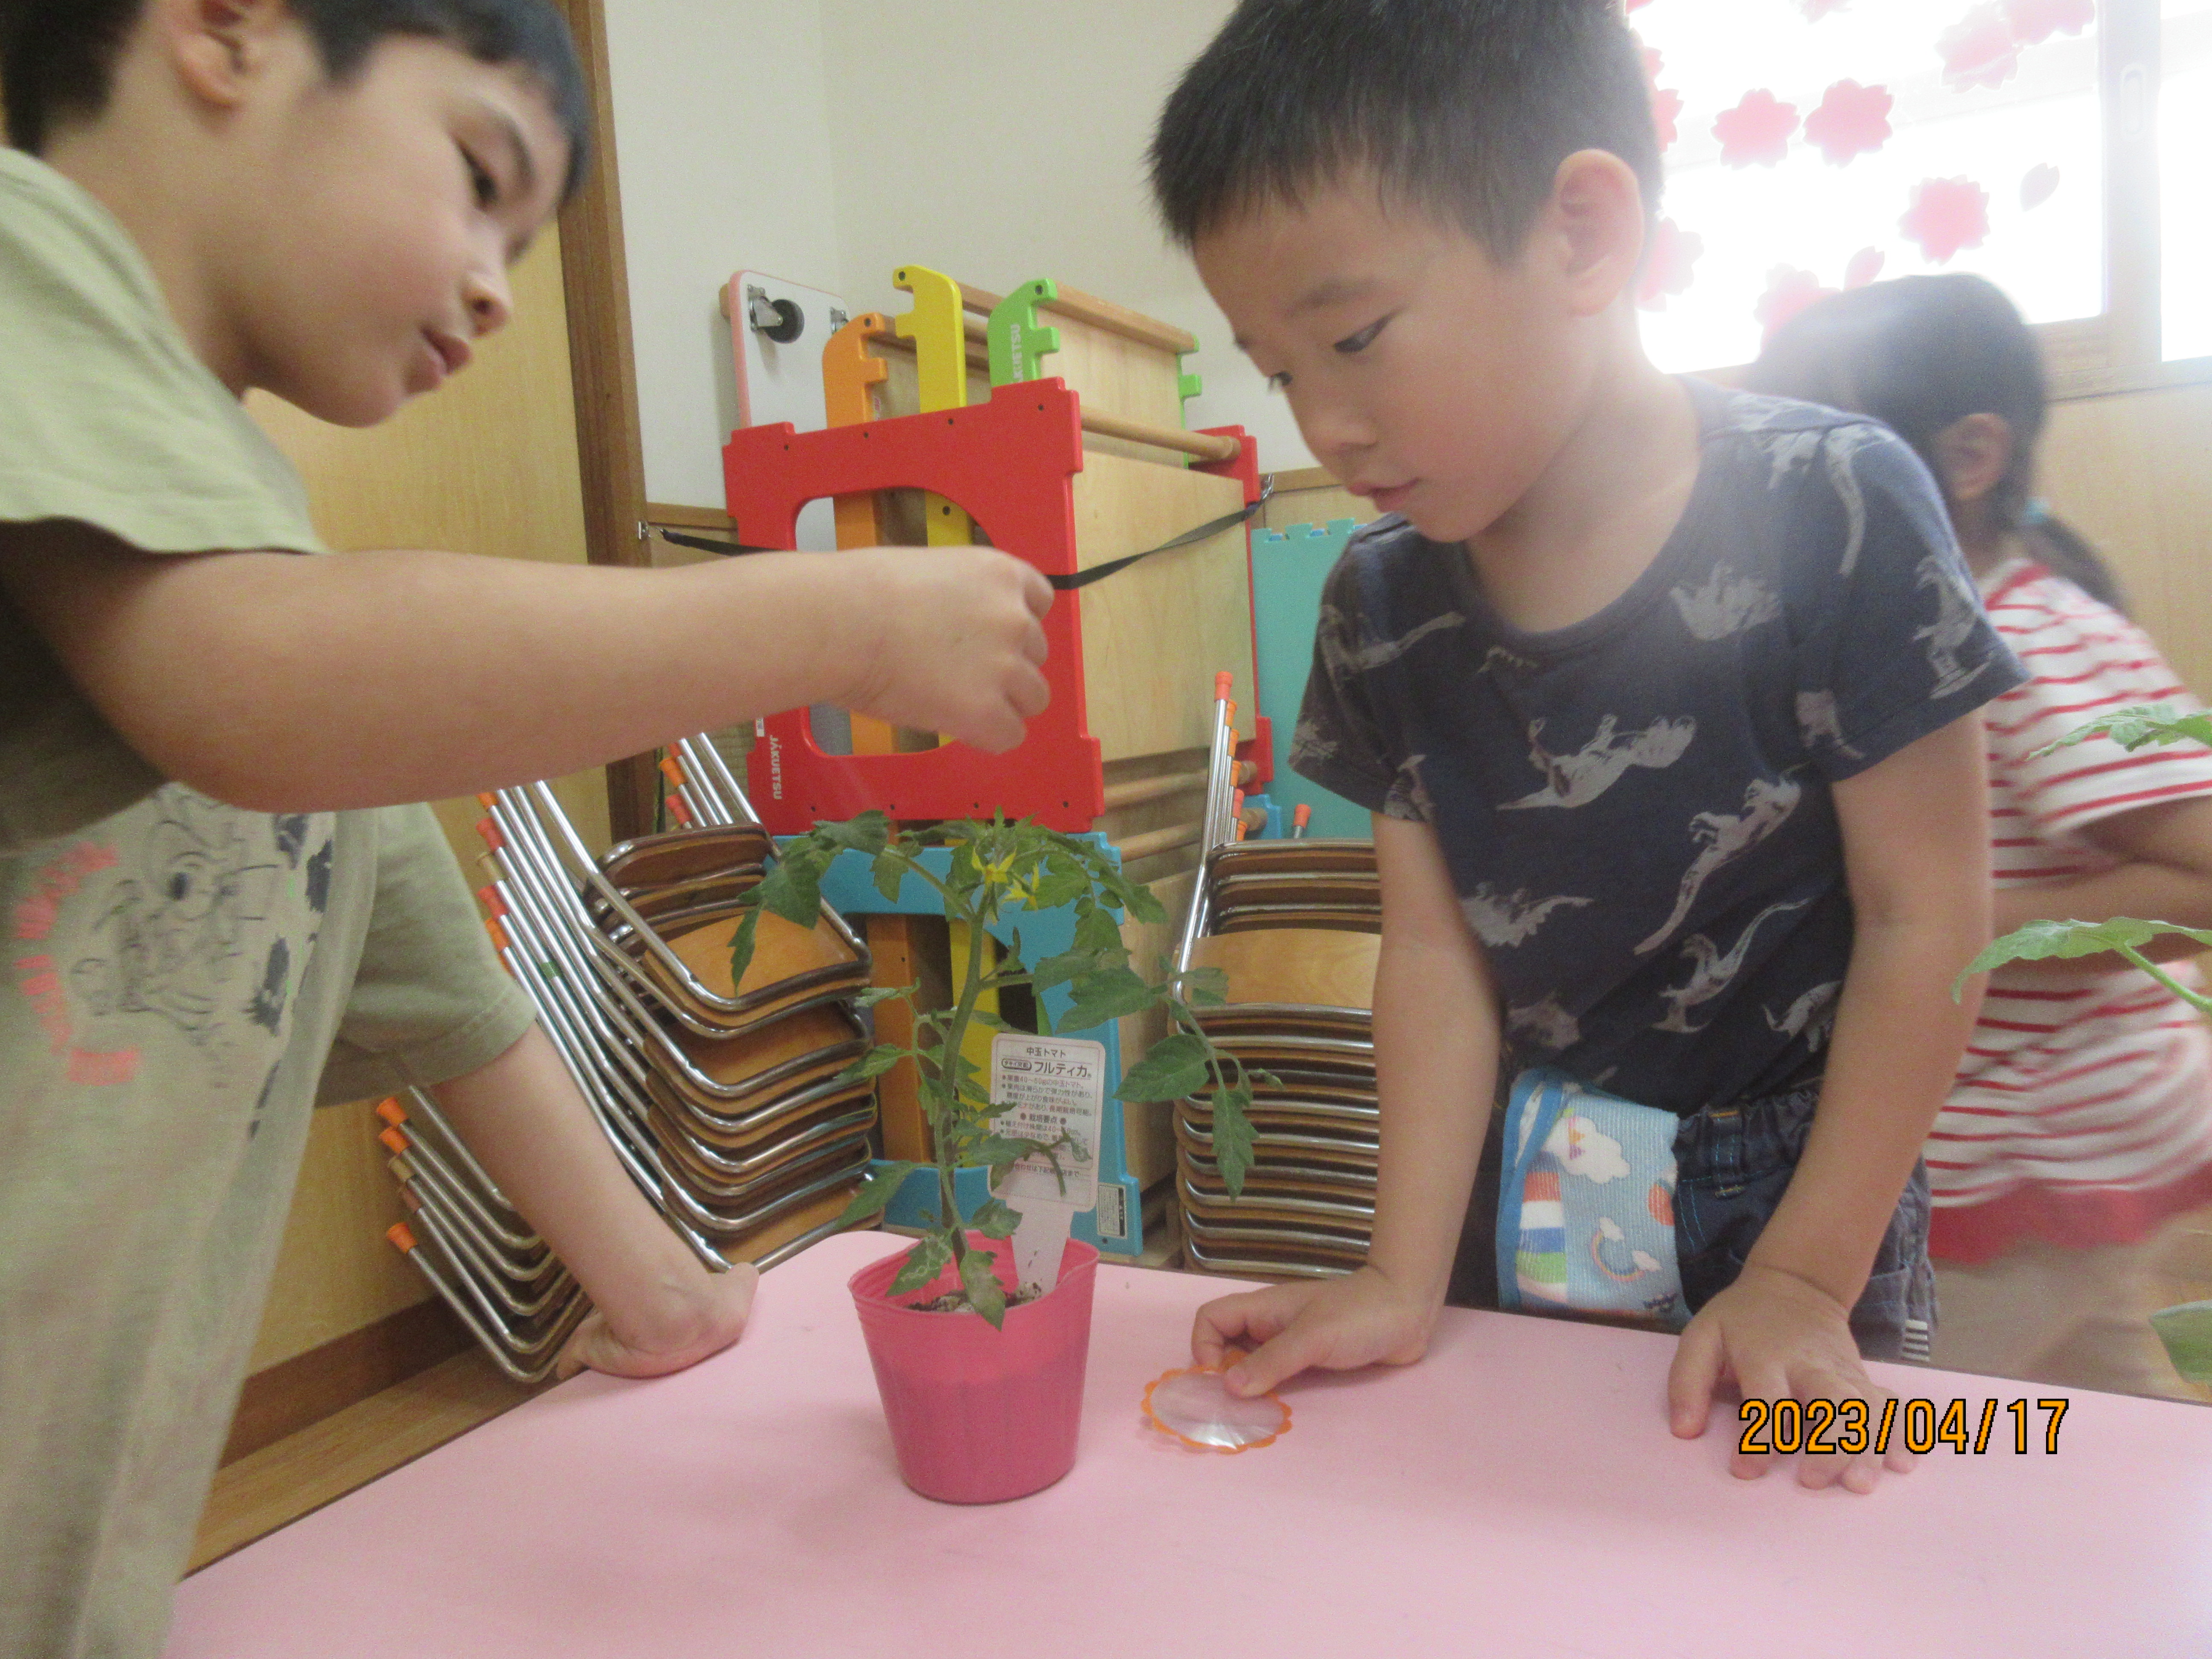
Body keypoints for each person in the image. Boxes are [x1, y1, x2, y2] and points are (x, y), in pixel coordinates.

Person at [0, 1, 1052, 1651]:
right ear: (225, 31)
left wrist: (658, 1284)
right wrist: (838, 622)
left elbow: (428, 969)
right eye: (480, 178)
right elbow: (254, 687)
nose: (497, 288)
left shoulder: (225, 527)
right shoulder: (21, 260)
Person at [1147, 0, 2026, 1491]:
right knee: (1525, 1523)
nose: (1324, 428)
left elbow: (1926, 916)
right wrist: (1399, 1275)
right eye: (1281, 371)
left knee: (1802, 1537)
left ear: (1582, 234)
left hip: (1803, 1194)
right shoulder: (1379, 601)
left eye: (1352, 337)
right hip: (1532, 1176)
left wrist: (1806, 1276)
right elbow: (1433, 958)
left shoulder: (1837, 504)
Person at [1753, 274, 2212, 1399]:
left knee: (1876, 1415)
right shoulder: (1899, 639)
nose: (1773, 497)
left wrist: (1949, 929)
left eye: (1820, 456)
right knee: (2092, 1403)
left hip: (2040, 1147)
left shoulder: (2035, 641)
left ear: (1969, 457)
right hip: (2014, 1145)